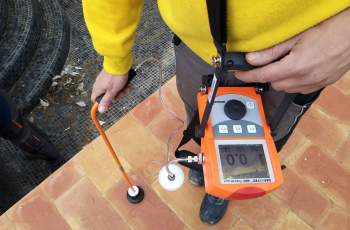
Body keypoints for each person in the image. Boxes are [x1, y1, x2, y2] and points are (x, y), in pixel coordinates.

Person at [81, 1, 350, 225]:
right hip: (200, 50)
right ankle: (207, 163)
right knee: (199, 121)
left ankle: (227, 184)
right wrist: (115, 58)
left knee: (265, 140)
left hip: (296, 65)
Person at [0, 89, 66, 172]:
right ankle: (43, 147)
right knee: (25, 127)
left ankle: (59, 165)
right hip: (5, 103)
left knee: (28, 140)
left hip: (8, 120)